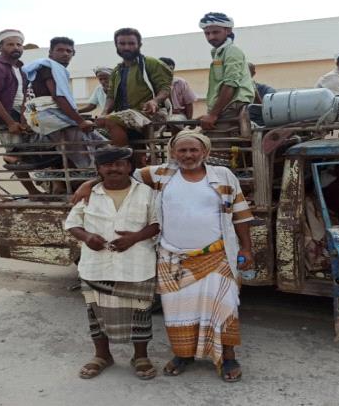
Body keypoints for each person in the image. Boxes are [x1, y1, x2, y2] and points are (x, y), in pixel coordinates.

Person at [72, 128, 254, 382]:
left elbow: (241, 214)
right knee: (180, 312)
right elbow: (118, 173)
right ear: (173, 153)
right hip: (173, 260)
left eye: (193, 150)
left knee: (224, 309)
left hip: (216, 257)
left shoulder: (223, 175)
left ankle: (228, 357)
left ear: (205, 152)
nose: (188, 155)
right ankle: (184, 355)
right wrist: (89, 183)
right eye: (182, 150)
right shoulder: (161, 174)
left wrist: (246, 247)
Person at [65, 147, 160, 380]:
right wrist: (87, 237)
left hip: (137, 265)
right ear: (99, 169)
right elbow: (72, 223)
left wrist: (134, 238)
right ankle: (102, 355)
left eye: (119, 164)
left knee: (140, 314)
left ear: (129, 167)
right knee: (96, 314)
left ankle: (140, 357)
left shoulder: (147, 193)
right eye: (108, 165)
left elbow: (157, 224)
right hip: (96, 266)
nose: (114, 168)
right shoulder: (89, 194)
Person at [22, 37, 105, 179]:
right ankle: (88, 174)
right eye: (60, 50)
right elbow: (58, 97)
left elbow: (26, 98)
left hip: (39, 118)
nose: (65, 53)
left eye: (69, 51)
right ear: (50, 53)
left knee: (99, 141)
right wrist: (80, 121)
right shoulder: (49, 67)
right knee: (83, 140)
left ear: (73, 54)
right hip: (47, 116)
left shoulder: (39, 69)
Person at [0, 29, 41, 196]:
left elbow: (23, 97)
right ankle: (32, 190)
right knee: (16, 152)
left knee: (44, 143)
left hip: (17, 113)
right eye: (10, 44)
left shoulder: (20, 69)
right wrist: (10, 122)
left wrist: (23, 118)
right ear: (1, 46)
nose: (16, 48)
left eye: (19, 44)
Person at [100, 28, 172, 148]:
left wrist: (155, 101)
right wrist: (104, 112)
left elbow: (166, 88)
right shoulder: (116, 71)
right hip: (124, 117)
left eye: (131, 43)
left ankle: (123, 158)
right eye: (122, 44)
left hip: (149, 114)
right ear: (116, 45)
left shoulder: (151, 63)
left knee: (111, 120)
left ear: (139, 45)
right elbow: (111, 96)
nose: (127, 47)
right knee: (98, 131)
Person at [197, 12, 255, 132]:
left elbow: (230, 84)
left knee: (219, 146)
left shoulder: (232, 51)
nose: (211, 37)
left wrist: (213, 115)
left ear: (228, 31)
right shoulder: (218, 53)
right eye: (207, 33)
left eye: (215, 32)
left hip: (232, 107)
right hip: (226, 108)